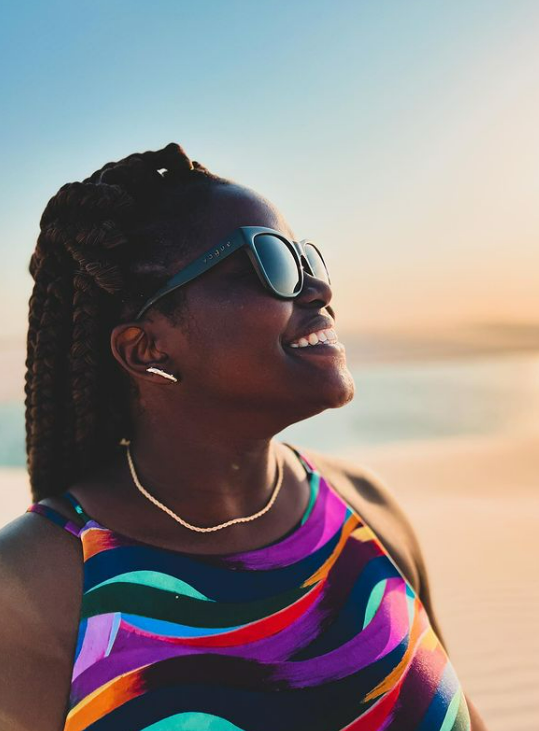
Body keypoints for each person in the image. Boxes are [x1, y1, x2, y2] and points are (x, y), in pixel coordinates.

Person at [0, 143, 488, 730]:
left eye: (307, 259)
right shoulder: (35, 585)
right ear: (147, 347)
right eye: (270, 262)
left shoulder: (366, 508)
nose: (318, 291)